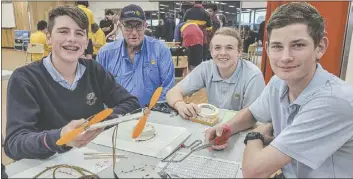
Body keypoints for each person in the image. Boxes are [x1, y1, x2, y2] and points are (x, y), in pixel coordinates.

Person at [204, 2, 353, 178]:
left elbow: (254, 172)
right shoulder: (278, 83)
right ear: (267, 48)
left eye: (298, 45)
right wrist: (226, 127)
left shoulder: (333, 101)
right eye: (277, 46)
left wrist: (255, 136)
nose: (285, 57)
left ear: (320, 48)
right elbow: (252, 113)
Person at [4, 5, 140, 161]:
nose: (72, 39)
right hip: (46, 164)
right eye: (63, 31)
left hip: (91, 159)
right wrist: (60, 137)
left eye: (79, 33)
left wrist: (99, 123)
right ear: (48, 37)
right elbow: (14, 144)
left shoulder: (93, 70)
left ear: (86, 41)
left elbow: (131, 103)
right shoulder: (25, 79)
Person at [166, 27, 265, 120]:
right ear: (212, 52)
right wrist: (180, 105)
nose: (222, 53)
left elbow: (252, 117)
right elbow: (172, 93)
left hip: (242, 128)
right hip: (215, 124)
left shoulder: (253, 75)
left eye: (229, 48)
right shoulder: (205, 68)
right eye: (217, 48)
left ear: (239, 52)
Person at [97, 4, 175, 107]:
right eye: (128, 26)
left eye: (138, 26)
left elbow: (167, 87)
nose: (134, 33)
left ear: (145, 26)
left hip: (152, 115)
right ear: (120, 26)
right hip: (116, 117)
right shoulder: (105, 54)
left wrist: (151, 112)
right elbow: (98, 90)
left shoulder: (160, 50)